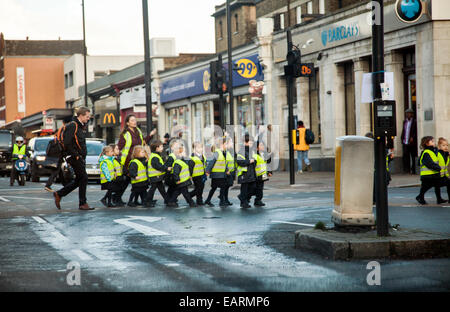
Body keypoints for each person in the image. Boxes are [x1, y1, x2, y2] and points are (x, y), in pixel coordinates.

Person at [53, 107, 94, 211]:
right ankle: (82, 203)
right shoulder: (73, 125)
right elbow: (67, 142)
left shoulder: (80, 126)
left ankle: (59, 193)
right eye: (87, 116)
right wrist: (76, 155)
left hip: (78, 157)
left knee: (79, 179)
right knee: (84, 178)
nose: (88, 118)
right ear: (80, 115)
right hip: (74, 157)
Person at [117, 114, 156, 202]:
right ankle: (117, 197)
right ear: (127, 123)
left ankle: (141, 199)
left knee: (138, 181)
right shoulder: (125, 134)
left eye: (135, 120)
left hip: (138, 159)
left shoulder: (138, 131)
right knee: (126, 181)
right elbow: (119, 147)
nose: (135, 122)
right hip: (128, 160)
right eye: (132, 120)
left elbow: (143, 142)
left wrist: (150, 135)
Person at [45, 116, 73, 192]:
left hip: (55, 154)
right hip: (59, 154)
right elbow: (64, 142)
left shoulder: (60, 129)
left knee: (59, 171)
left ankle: (66, 185)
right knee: (56, 171)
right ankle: (48, 185)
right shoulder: (66, 129)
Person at [167, 143, 196, 208]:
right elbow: (175, 172)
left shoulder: (182, 161)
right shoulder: (178, 162)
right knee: (185, 193)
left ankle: (171, 201)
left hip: (183, 180)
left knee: (178, 192)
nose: (185, 154)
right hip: (181, 181)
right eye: (184, 152)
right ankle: (191, 203)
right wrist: (177, 180)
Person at [416, 136, 442, 205]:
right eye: (432, 141)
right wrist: (438, 168)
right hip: (427, 175)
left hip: (433, 173)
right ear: (427, 143)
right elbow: (429, 163)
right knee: (426, 187)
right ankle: (420, 197)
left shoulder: (433, 151)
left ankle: (439, 199)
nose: (434, 142)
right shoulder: (426, 152)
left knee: (436, 185)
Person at [146, 141, 171, 208]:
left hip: (157, 177)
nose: (163, 148)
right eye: (161, 146)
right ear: (157, 148)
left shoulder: (156, 155)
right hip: (155, 176)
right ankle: (147, 201)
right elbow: (158, 166)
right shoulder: (155, 157)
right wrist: (166, 168)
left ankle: (167, 200)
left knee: (161, 189)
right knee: (153, 189)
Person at [204, 138, 228, 207]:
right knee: (222, 187)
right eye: (225, 144)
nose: (226, 145)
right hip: (217, 174)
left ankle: (208, 200)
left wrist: (226, 170)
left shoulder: (223, 152)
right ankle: (221, 202)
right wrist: (207, 171)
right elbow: (211, 162)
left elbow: (223, 163)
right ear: (222, 144)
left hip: (220, 174)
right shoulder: (217, 153)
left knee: (214, 188)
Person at [236, 134, 257, 209]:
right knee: (244, 189)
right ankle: (243, 202)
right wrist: (249, 161)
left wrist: (254, 161)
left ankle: (242, 197)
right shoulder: (241, 151)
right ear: (245, 142)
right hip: (244, 174)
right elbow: (239, 161)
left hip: (251, 173)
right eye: (250, 143)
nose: (251, 144)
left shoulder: (251, 151)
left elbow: (254, 160)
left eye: (252, 143)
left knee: (253, 188)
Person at [250, 141, 272, 207]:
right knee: (253, 189)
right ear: (257, 148)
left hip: (262, 175)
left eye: (263, 145)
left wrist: (269, 172)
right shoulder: (254, 155)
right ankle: (244, 198)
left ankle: (258, 200)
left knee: (260, 189)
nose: (263, 146)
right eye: (261, 145)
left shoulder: (263, 154)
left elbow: (267, 163)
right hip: (256, 175)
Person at [189, 142, 207, 206]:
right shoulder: (193, 157)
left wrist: (205, 172)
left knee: (201, 188)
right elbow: (190, 167)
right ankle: (188, 196)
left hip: (202, 175)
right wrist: (190, 175)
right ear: (194, 149)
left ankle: (199, 201)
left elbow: (203, 165)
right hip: (195, 175)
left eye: (201, 147)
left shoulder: (202, 156)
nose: (200, 149)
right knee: (198, 189)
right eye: (198, 148)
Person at [401, 108, 418, 174]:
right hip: (405, 141)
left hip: (412, 142)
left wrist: (413, 137)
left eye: (409, 113)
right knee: (405, 156)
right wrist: (402, 138)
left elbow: (415, 131)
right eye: (407, 113)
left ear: (412, 114)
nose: (408, 115)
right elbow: (404, 130)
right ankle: (406, 170)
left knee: (413, 156)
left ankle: (413, 170)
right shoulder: (405, 122)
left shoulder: (414, 122)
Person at [436, 137, 450, 203]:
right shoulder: (437, 154)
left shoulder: (447, 155)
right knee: (434, 186)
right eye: (443, 145)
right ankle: (439, 199)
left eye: (447, 145)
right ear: (439, 146)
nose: (446, 147)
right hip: (437, 175)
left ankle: (440, 199)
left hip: (443, 175)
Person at [222, 137, 235, 206]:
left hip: (230, 172)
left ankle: (226, 200)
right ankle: (223, 200)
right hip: (225, 173)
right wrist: (226, 170)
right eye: (231, 142)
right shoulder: (223, 152)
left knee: (227, 187)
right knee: (224, 187)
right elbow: (222, 162)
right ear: (225, 144)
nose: (232, 143)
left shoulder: (228, 151)